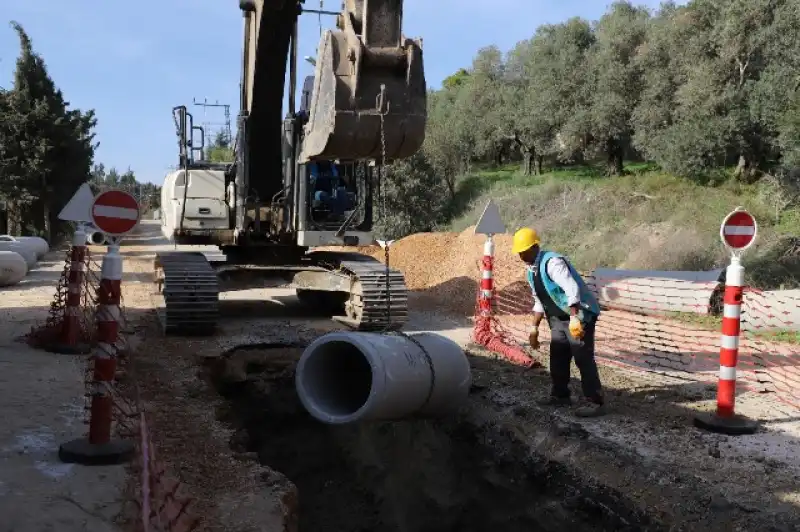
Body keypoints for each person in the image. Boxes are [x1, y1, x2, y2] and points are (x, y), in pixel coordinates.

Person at [512, 227, 606, 417]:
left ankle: (595, 401)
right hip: (556, 318)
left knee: (582, 357)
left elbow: (572, 289)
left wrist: (574, 318)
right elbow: (540, 301)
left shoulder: (553, 263)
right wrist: (534, 329)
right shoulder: (531, 271)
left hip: (579, 315)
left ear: (534, 247)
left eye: (523, 251)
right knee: (558, 356)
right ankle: (560, 395)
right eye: (519, 252)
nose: (521, 255)